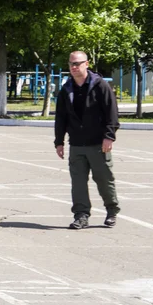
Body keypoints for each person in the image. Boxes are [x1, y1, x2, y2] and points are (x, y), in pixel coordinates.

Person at [54, 51, 120, 230]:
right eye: (71, 64)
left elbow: (112, 113)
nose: (74, 67)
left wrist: (109, 136)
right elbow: (61, 118)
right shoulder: (66, 89)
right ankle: (81, 216)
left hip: (98, 144)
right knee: (78, 183)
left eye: (78, 63)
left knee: (104, 179)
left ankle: (112, 211)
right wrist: (59, 142)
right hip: (76, 144)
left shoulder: (100, 86)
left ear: (87, 64)